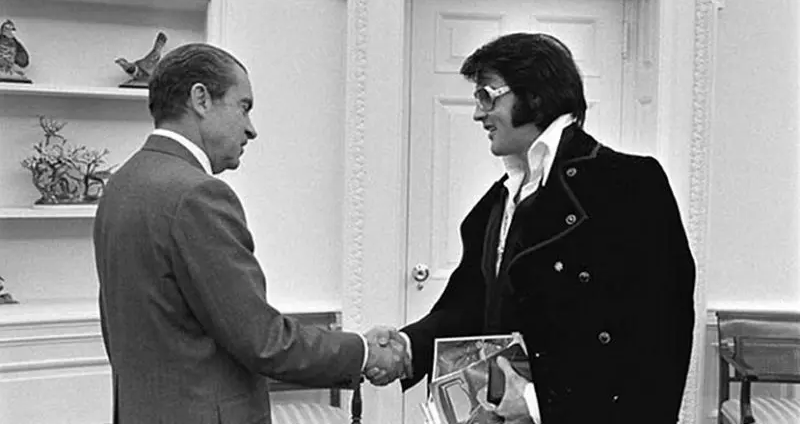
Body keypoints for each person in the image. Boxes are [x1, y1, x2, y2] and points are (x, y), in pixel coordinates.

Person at [367, 33, 696, 423]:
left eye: (488, 97)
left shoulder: (628, 183)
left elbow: (660, 336)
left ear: (535, 96)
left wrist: (541, 406)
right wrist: (406, 347)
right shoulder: (497, 200)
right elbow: (471, 303)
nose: (478, 114)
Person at [93, 43, 407, 424]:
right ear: (201, 99)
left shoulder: (122, 184)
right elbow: (264, 341)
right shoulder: (197, 195)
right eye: (244, 106)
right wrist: (363, 351)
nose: (251, 129)